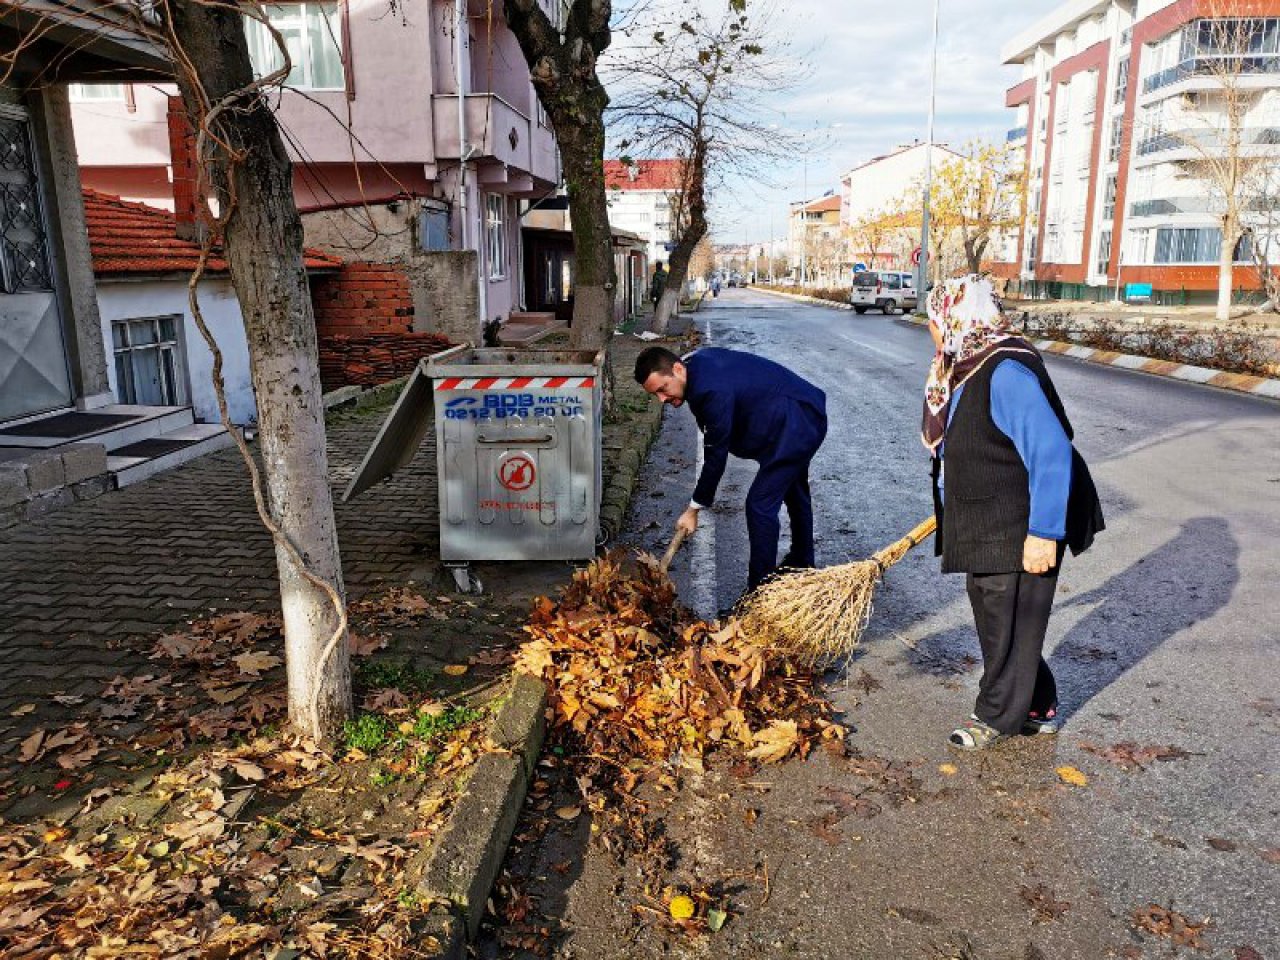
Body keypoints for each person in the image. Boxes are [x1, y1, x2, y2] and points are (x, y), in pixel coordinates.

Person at [923, 275, 1104, 750]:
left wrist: (1044, 532)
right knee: (998, 622)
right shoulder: (970, 365)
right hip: (986, 520)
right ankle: (1039, 706)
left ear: (958, 316)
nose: (933, 331)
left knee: (1009, 624)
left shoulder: (1004, 370)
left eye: (935, 320)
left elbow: (1050, 450)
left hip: (1019, 523)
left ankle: (994, 717)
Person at [634, 346, 828, 603]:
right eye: (655, 394)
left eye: (662, 389)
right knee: (794, 490)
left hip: (798, 422)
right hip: (792, 417)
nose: (661, 399)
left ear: (678, 369)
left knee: (759, 505)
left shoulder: (709, 389)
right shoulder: (694, 368)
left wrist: (693, 509)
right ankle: (803, 561)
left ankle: (759, 595)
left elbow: (716, 453)